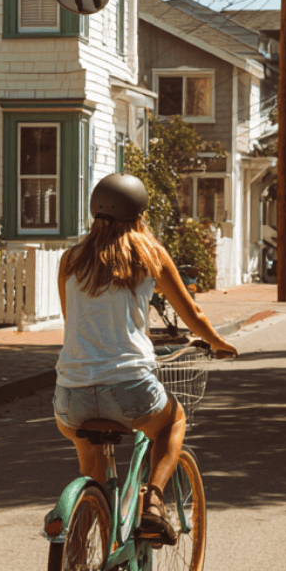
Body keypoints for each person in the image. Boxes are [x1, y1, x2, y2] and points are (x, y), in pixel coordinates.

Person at [54, 173, 237, 543]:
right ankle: (153, 503)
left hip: (70, 396)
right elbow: (193, 316)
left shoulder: (70, 259)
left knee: (96, 476)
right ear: (139, 214)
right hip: (129, 387)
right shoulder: (149, 252)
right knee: (173, 422)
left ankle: (78, 565)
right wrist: (218, 342)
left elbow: (71, 320)